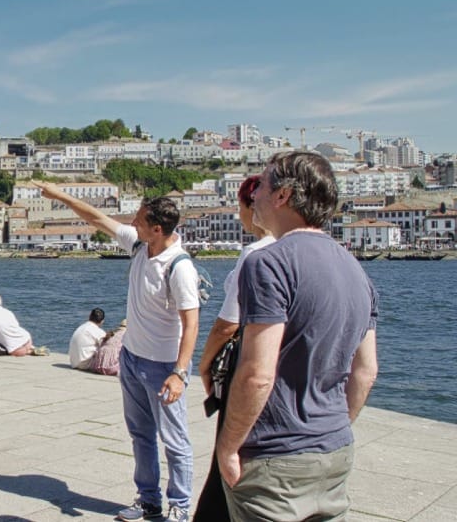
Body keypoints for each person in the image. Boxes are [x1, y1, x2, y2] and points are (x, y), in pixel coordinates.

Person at [216, 152, 378, 521]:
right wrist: (331, 430)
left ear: (283, 196)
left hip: (275, 457)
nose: (253, 195)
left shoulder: (268, 263)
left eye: (260, 185)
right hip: (334, 448)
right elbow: (366, 372)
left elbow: (258, 372)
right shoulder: (357, 272)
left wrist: (228, 446)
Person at [36, 183, 198, 522]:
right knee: (141, 434)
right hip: (132, 358)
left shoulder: (180, 267)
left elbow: (192, 324)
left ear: (158, 228)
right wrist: (59, 196)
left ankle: (180, 506)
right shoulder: (139, 245)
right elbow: (96, 218)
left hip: (163, 365)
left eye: (139, 220)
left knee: (174, 438)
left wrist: (180, 372)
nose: (132, 223)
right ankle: (149, 499)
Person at [193, 175, 276, 521]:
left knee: (227, 454)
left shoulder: (253, 255)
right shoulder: (291, 249)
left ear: (250, 207)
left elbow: (228, 323)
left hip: (246, 362)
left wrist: (204, 363)